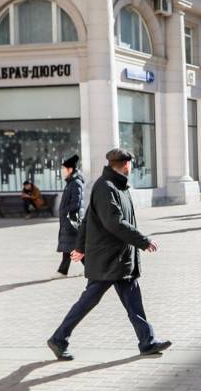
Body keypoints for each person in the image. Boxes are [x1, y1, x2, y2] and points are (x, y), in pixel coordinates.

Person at [47, 148, 171, 361]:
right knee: (88, 301)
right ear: (125, 165)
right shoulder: (106, 188)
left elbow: (88, 219)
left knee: (134, 302)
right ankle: (59, 338)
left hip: (120, 260)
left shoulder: (117, 186)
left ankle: (147, 341)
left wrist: (79, 247)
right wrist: (143, 240)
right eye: (130, 164)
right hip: (108, 260)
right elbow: (113, 223)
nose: (131, 167)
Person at [55, 154, 85, 276]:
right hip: (68, 220)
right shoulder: (70, 183)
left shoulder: (76, 183)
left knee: (72, 245)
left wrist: (63, 211)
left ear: (70, 169)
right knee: (70, 246)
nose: (62, 172)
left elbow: (76, 204)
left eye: (64, 169)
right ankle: (63, 271)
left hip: (72, 220)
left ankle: (63, 271)